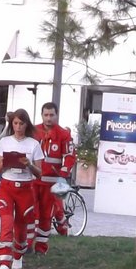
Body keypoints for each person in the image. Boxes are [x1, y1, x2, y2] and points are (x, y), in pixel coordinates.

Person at [0, 109, 45, 269]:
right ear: (11, 124)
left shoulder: (34, 144)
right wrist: (7, 163)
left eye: (21, 123)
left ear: (26, 124)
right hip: (7, 186)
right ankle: (4, 260)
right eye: (15, 123)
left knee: (21, 226)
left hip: (26, 188)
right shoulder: (5, 142)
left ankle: (18, 255)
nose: (18, 127)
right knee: (6, 221)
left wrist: (28, 164)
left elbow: (39, 172)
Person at [32, 102, 77, 253]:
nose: (49, 118)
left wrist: (62, 175)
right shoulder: (34, 131)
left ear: (57, 115)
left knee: (45, 216)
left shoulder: (63, 134)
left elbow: (70, 157)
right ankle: (25, 244)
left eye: (52, 115)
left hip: (51, 184)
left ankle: (41, 248)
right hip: (33, 181)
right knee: (31, 213)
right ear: (42, 115)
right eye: (46, 115)